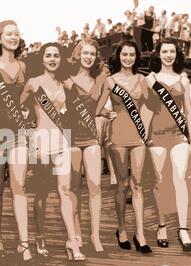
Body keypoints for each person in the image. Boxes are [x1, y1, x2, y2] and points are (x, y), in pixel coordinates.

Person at [21, 42, 85, 261]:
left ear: (61, 58)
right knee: (41, 193)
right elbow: (18, 110)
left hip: (61, 143)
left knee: (64, 191)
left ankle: (73, 243)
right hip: (40, 142)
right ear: (42, 59)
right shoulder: (33, 83)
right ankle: (39, 236)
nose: (52, 59)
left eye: (56, 55)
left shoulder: (66, 83)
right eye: (48, 55)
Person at [0, 20, 34, 264]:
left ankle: (24, 243)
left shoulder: (24, 66)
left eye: (16, 33)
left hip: (18, 133)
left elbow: (28, 98)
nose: (13, 38)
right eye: (8, 34)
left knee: (19, 186)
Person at [97, 40, 152, 254]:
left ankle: (140, 233)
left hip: (138, 137)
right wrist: (106, 114)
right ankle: (121, 229)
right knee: (122, 184)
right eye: (124, 54)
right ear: (118, 57)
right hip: (117, 136)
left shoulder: (142, 80)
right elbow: (98, 107)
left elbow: (149, 106)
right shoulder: (110, 81)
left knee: (138, 184)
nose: (127, 58)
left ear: (136, 57)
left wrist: (146, 128)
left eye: (131, 55)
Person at [146, 39, 191, 252]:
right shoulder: (150, 79)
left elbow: (188, 113)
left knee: (180, 178)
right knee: (159, 181)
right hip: (156, 135)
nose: (168, 55)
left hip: (178, 137)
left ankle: (183, 229)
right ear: (158, 54)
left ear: (177, 55)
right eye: (164, 51)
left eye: (172, 51)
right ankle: (162, 225)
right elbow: (145, 109)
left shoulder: (183, 80)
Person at [64, 38, 105, 252]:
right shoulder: (67, 79)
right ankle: (76, 233)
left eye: (92, 54)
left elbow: (99, 108)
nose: (88, 57)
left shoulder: (99, 79)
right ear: (78, 54)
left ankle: (95, 234)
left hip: (91, 138)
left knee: (95, 185)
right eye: (85, 53)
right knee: (73, 188)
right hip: (70, 137)